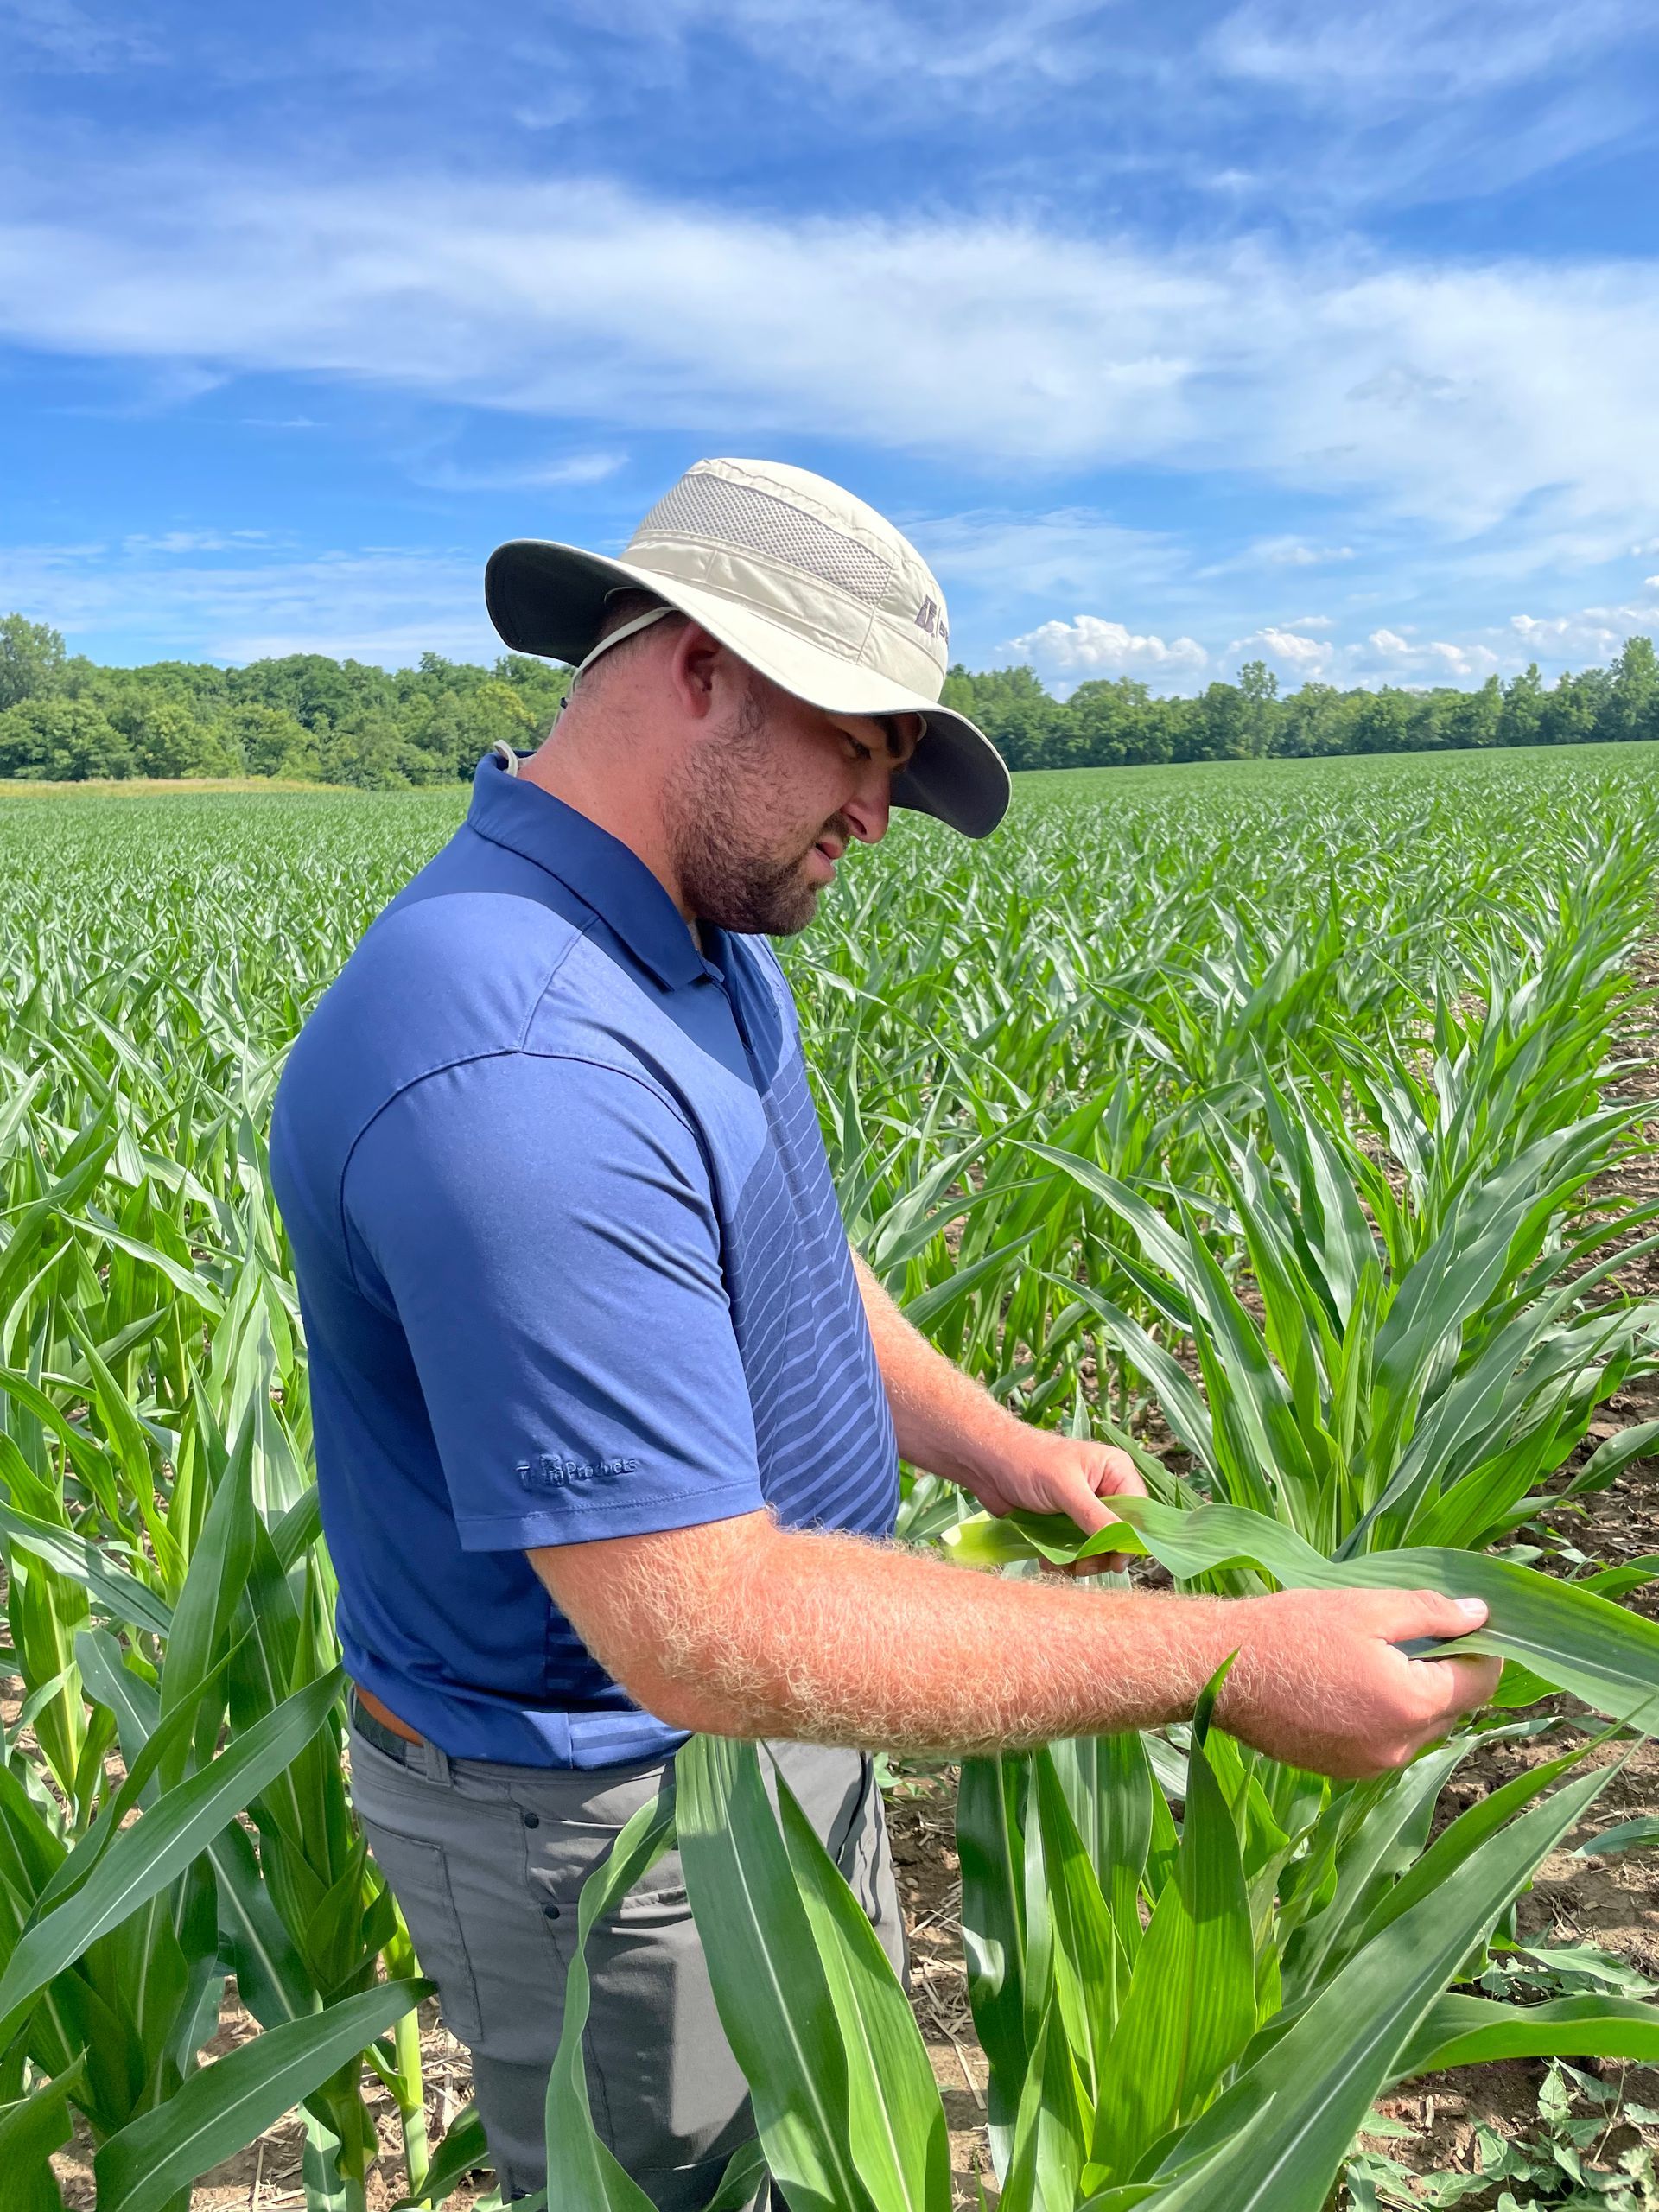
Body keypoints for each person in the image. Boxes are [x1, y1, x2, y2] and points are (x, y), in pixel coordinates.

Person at [269, 456, 1501, 2209]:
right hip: (617, 1811)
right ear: (701, 665)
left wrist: (994, 1443)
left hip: (781, 1713)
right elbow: (702, 1628)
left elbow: (787, 1256)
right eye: (858, 746)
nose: (877, 813)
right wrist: (1228, 1664)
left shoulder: (694, 927)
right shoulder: (519, 1066)